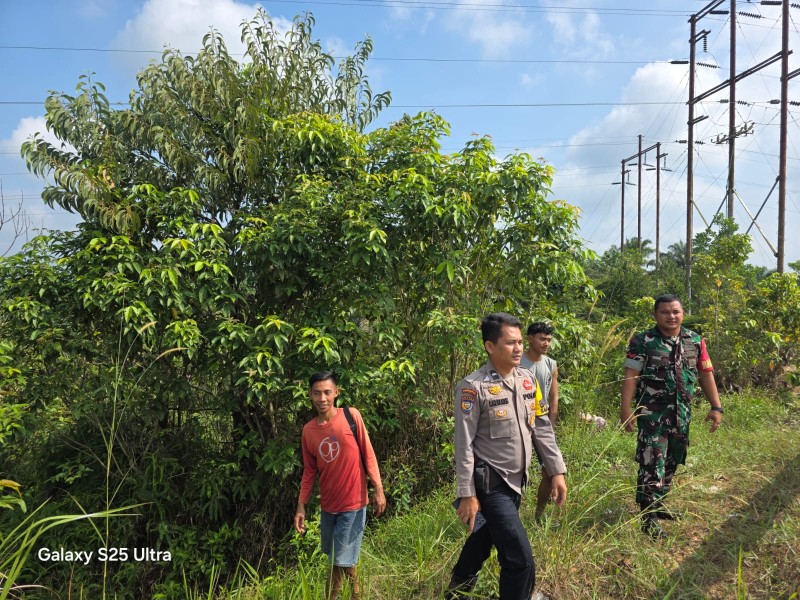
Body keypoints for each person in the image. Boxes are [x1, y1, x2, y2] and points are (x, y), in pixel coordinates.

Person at [448, 313, 568, 600]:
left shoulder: (527, 381)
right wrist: (467, 494)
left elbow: (541, 428)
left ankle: (456, 592)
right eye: (510, 343)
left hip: (518, 482)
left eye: (518, 342)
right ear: (490, 346)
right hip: (491, 484)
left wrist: (556, 470)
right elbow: (463, 444)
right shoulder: (473, 387)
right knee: (519, 558)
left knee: (482, 539)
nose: (517, 349)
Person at [620, 294, 723, 539]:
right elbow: (631, 375)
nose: (671, 316)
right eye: (665, 312)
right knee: (652, 462)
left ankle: (660, 502)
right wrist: (626, 409)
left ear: (683, 313)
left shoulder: (695, 340)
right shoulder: (643, 341)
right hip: (652, 414)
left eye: (675, 311)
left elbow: (706, 374)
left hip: (682, 413)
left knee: (673, 459)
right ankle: (648, 516)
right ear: (655, 315)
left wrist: (716, 407)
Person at [294, 371, 386, 599]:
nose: (322, 398)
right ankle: (357, 594)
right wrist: (301, 505)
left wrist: (378, 489)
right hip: (328, 506)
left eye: (327, 392)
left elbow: (369, 455)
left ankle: (331, 597)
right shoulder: (309, 431)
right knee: (341, 559)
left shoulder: (351, 417)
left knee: (338, 560)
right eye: (317, 393)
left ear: (336, 393)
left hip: (353, 503)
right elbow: (309, 471)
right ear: (310, 395)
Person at [520, 322, 559, 520]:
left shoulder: (550, 364)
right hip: (518, 424)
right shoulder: (517, 362)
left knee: (550, 471)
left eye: (549, 340)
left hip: (542, 423)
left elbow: (553, 396)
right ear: (530, 339)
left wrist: (550, 423)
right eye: (542, 339)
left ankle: (539, 516)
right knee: (516, 472)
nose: (546, 343)